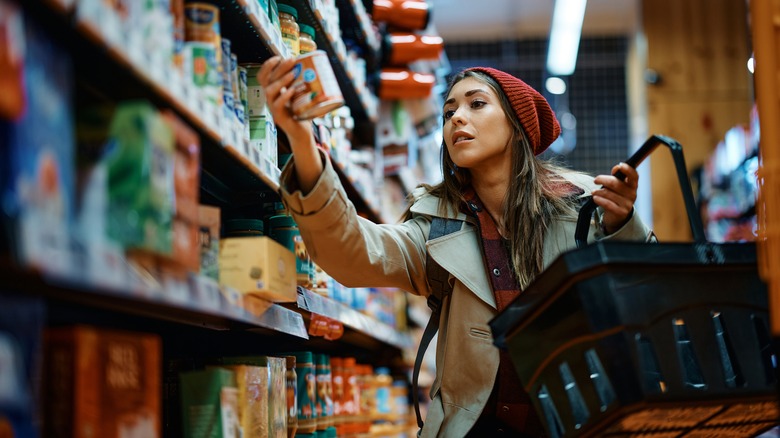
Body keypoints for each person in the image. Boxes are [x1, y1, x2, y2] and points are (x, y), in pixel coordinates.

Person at [257, 58, 655, 437]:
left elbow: (646, 293)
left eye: (476, 104)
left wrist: (622, 224)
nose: (457, 118)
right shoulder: (435, 224)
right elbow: (353, 251)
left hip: (583, 421)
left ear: (518, 125)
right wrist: (302, 141)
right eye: (449, 113)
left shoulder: (583, 205)